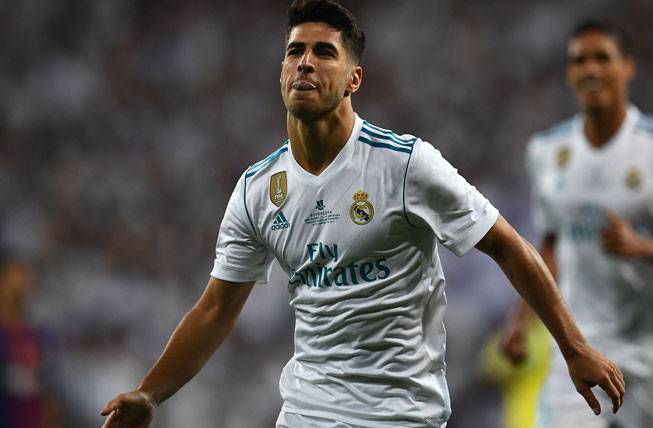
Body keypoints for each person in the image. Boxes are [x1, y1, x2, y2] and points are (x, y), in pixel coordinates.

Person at [100, 2, 625, 427]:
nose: (305, 62)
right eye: (295, 51)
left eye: (323, 52)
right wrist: (151, 393)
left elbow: (508, 246)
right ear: (281, 72)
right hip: (307, 412)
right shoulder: (257, 190)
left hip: (401, 414)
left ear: (354, 79)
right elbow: (215, 310)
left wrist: (573, 347)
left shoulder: (406, 165)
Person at [503, 20, 653, 428]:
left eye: (602, 58)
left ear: (627, 67)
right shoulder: (546, 152)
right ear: (569, 73)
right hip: (582, 350)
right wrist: (521, 321)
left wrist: (645, 247)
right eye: (579, 60)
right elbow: (552, 246)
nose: (590, 69)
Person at [0, 259, 63, 428]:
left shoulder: (39, 333)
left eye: (26, 282)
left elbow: (49, 380)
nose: (21, 288)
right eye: (14, 282)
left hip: (32, 413)